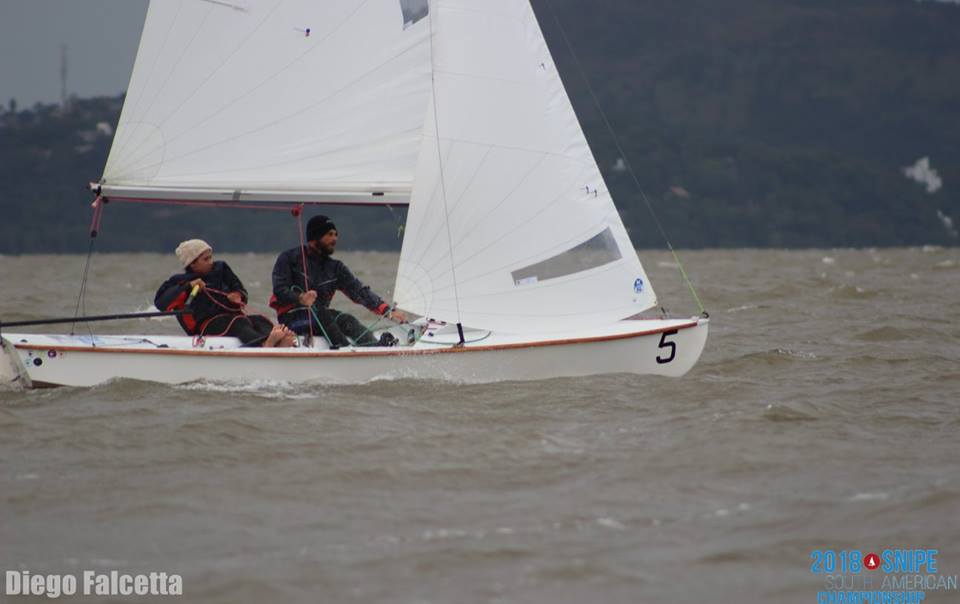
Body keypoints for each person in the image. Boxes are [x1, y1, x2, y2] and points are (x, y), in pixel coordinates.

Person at [271, 215, 407, 348]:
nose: (335, 238)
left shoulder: (335, 268)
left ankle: (374, 347)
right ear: (315, 236)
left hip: (322, 317)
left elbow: (359, 292)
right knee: (324, 315)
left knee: (347, 319)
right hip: (291, 320)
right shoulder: (289, 259)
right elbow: (279, 290)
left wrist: (387, 310)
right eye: (330, 234)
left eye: (336, 235)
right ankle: (346, 350)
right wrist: (301, 298)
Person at [156, 239, 295, 348]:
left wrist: (238, 295)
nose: (211, 262)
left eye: (211, 257)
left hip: (232, 317)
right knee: (238, 322)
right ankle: (264, 344)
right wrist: (188, 286)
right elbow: (161, 303)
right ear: (192, 264)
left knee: (259, 320)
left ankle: (278, 342)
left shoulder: (221, 268)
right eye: (206, 259)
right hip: (205, 325)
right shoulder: (179, 281)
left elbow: (240, 289)